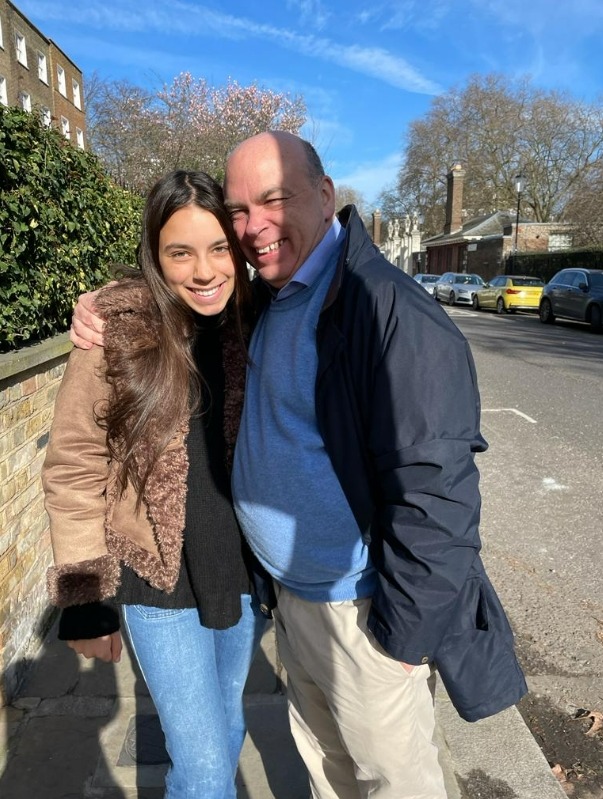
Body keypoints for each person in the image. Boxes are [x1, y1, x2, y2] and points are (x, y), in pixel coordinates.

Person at [71, 132, 528, 799]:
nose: (254, 227)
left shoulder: (383, 309)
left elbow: (436, 496)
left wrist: (400, 640)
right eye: (240, 210)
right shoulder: (267, 299)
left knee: (389, 782)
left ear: (323, 195)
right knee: (324, 769)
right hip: (284, 601)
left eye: (274, 199)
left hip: (362, 612)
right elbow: (82, 458)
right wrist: (101, 302)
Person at [43, 170, 269, 799]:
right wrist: (85, 599)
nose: (204, 271)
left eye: (219, 248)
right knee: (201, 771)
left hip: (241, 575)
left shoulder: (259, 321)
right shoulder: (117, 331)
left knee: (226, 734)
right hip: (158, 581)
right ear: (155, 254)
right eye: (180, 252)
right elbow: (73, 464)